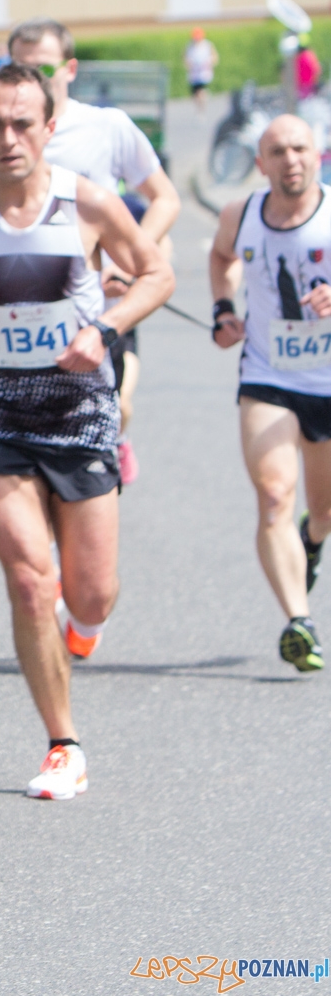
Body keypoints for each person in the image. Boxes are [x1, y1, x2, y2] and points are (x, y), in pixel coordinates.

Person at [0, 63, 174, 800]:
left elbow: (155, 274)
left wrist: (106, 327)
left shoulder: (87, 204)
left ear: (49, 127)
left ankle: (81, 622)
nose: (7, 138)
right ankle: (64, 742)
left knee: (90, 595)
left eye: (22, 122)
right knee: (31, 581)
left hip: (80, 413)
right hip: (0, 414)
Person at [0, 17, 183, 487]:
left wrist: (124, 264)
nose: (31, 77)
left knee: (116, 403)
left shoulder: (106, 126)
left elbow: (165, 198)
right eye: (18, 66)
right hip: (24, 305)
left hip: (99, 298)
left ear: (69, 68)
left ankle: (108, 450)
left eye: (43, 67)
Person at [209, 114, 331, 674]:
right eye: (278, 152)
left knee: (322, 510)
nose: (291, 160)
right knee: (276, 494)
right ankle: (299, 622)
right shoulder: (241, 215)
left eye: (300, 148)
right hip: (268, 375)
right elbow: (220, 259)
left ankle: (312, 539)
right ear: (261, 164)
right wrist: (223, 310)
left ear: (318, 154)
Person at [185, 27, 219, 114]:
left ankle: (202, 107)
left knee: (200, 91)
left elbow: (215, 57)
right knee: (195, 94)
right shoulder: (190, 46)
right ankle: (201, 106)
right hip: (194, 75)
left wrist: (209, 63)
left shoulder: (208, 45)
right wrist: (190, 64)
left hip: (204, 73)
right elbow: (186, 58)